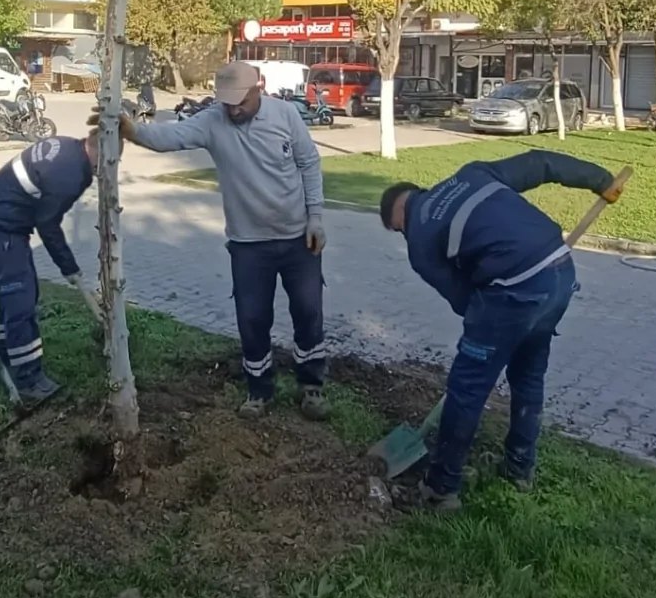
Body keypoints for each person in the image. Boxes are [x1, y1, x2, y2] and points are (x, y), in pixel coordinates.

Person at [380, 149, 622, 511]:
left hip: (515, 289)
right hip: (559, 270)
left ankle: (441, 488)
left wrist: (489, 340)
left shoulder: (419, 242)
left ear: (397, 216)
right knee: (528, 377)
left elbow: (462, 299)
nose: (403, 234)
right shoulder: (473, 173)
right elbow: (541, 163)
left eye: (398, 229)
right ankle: (519, 467)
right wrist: (600, 180)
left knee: (467, 388)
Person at [127, 60, 328, 419]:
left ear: (258, 87)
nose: (234, 110)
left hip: (299, 239)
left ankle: (311, 386)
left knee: (308, 312)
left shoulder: (285, 115)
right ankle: (259, 390)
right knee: (252, 319)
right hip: (248, 245)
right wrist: (130, 130)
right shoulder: (212, 121)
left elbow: (309, 164)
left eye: (241, 102)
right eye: (227, 102)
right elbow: (168, 138)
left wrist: (316, 218)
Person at [0, 113, 121, 403]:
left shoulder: (70, 147)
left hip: (5, 225)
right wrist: (69, 267)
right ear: (101, 154)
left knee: (19, 296)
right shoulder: (72, 175)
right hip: (0, 228)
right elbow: (48, 224)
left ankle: (7, 355)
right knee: (20, 299)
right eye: (110, 163)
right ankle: (28, 379)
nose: (107, 172)